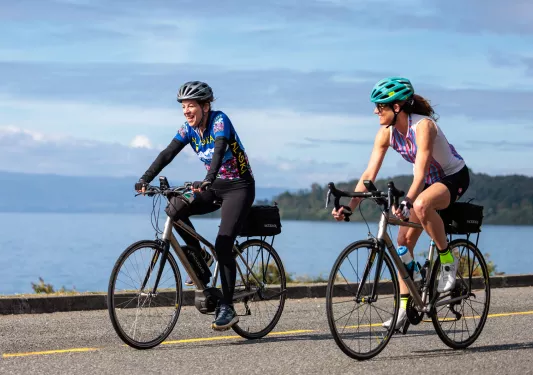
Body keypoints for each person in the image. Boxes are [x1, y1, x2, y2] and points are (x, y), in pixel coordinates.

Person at [332, 77, 470, 330]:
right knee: (402, 244)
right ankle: (406, 308)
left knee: (420, 205)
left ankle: (448, 261)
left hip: (452, 177)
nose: (376, 111)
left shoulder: (423, 127)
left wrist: (408, 200)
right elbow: (369, 175)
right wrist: (350, 206)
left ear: (397, 107)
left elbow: (420, 174)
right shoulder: (386, 134)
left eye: (380, 106)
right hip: (428, 183)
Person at [135, 81, 255, 331]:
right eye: (183, 107)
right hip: (211, 186)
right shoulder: (188, 130)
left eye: (191, 106)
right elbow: (168, 153)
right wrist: (145, 178)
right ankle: (199, 255)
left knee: (223, 244)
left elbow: (220, 149)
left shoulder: (220, 120)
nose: (187, 111)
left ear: (206, 106)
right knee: (174, 209)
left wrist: (210, 177)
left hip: (238, 187)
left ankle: (227, 307)